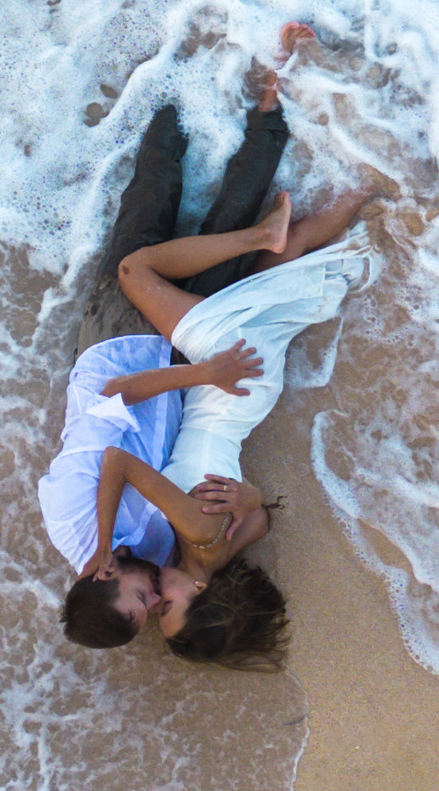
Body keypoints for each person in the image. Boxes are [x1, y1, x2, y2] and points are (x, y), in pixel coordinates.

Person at [43, 33, 370, 667]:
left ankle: (180, 74)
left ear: (103, 577)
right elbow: (227, 514)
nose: (155, 600)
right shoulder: (172, 549)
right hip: (191, 363)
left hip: (122, 344)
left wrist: (206, 377)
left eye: (144, 604)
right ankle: (263, 99)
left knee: (153, 201)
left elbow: (114, 413)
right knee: (234, 233)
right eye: (160, 610)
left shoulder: (76, 520)